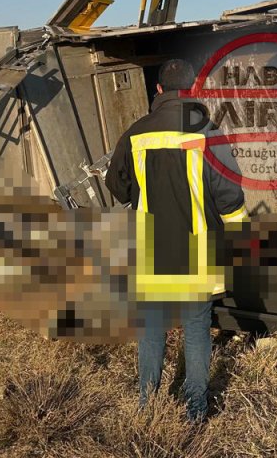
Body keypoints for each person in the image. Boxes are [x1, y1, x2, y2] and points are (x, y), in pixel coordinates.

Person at [106, 58, 248, 422]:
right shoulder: (208, 132)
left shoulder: (136, 132)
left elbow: (115, 184)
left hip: (151, 247)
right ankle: (195, 411)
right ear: (194, 91)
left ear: (157, 91)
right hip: (197, 248)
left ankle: (146, 405)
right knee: (197, 328)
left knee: (151, 328)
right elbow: (230, 194)